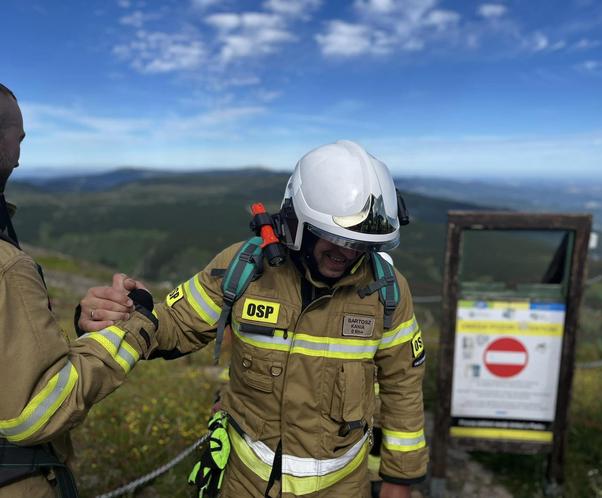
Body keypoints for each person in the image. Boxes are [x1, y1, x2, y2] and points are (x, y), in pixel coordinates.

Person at [80, 140, 428, 497]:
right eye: (333, 237)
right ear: (298, 224)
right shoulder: (242, 268)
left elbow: (404, 386)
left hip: (340, 487)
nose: (347, 252)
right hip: (244, 482)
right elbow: (172, 325)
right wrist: (113, 315)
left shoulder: (388, 293)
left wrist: (400, 480)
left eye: (360, 243)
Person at [0, 83, 160, 498]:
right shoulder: (8, 268)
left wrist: (80, 329)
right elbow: (35, 413)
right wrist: (136, 324)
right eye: (18, 139)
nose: (21, 155)